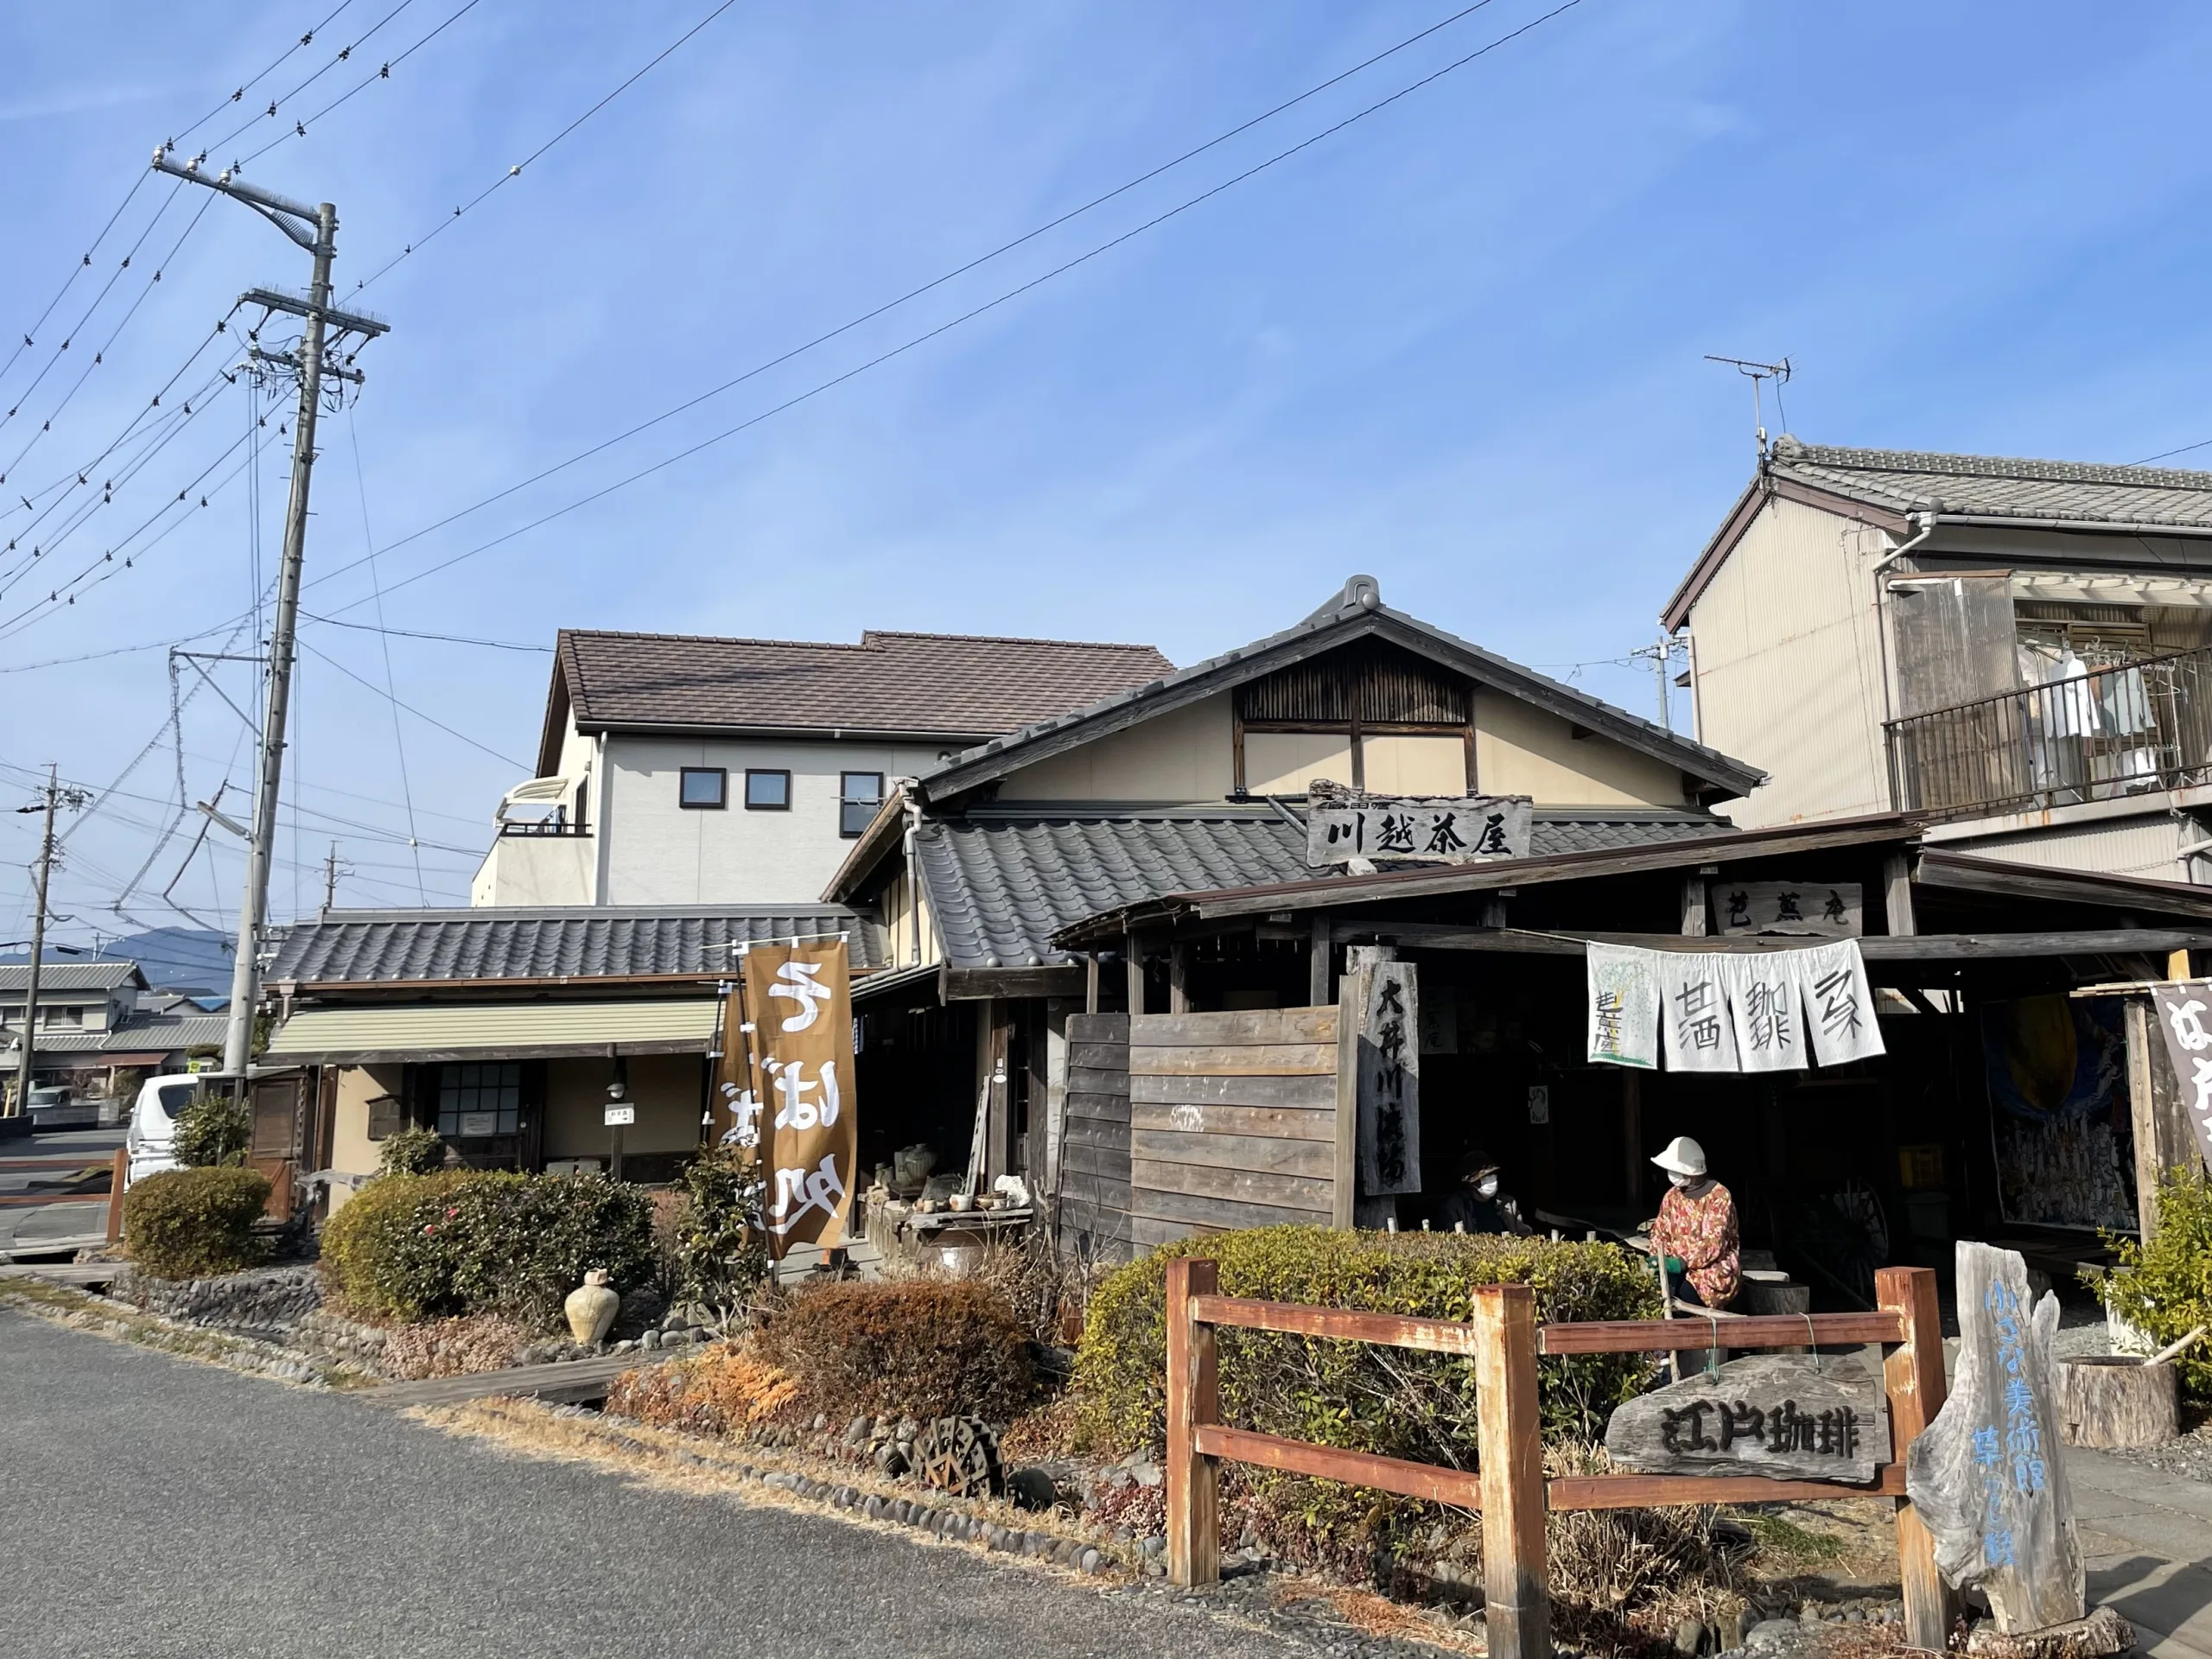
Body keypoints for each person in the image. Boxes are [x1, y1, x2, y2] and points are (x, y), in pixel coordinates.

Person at [1641, 1135, 1740, 1310]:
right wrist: (1659, 1259)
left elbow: (1713, 1244)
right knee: (1655, 1295)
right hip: (1675, 1268)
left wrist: (1682, 1263)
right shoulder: (1672, 1196)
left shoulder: (1719, 1197)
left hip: (1710, 1270)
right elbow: (1660, 1232)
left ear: (1692, 1173)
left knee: (1685, 1296)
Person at [1434, 1149, 1533, 1236]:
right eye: (1484, 1177)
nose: (1491, 1179)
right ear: (1471, 1183)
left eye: (1492, 1174)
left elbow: (1524, 1234)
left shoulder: (1508, 1203)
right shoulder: (1455, 1207)